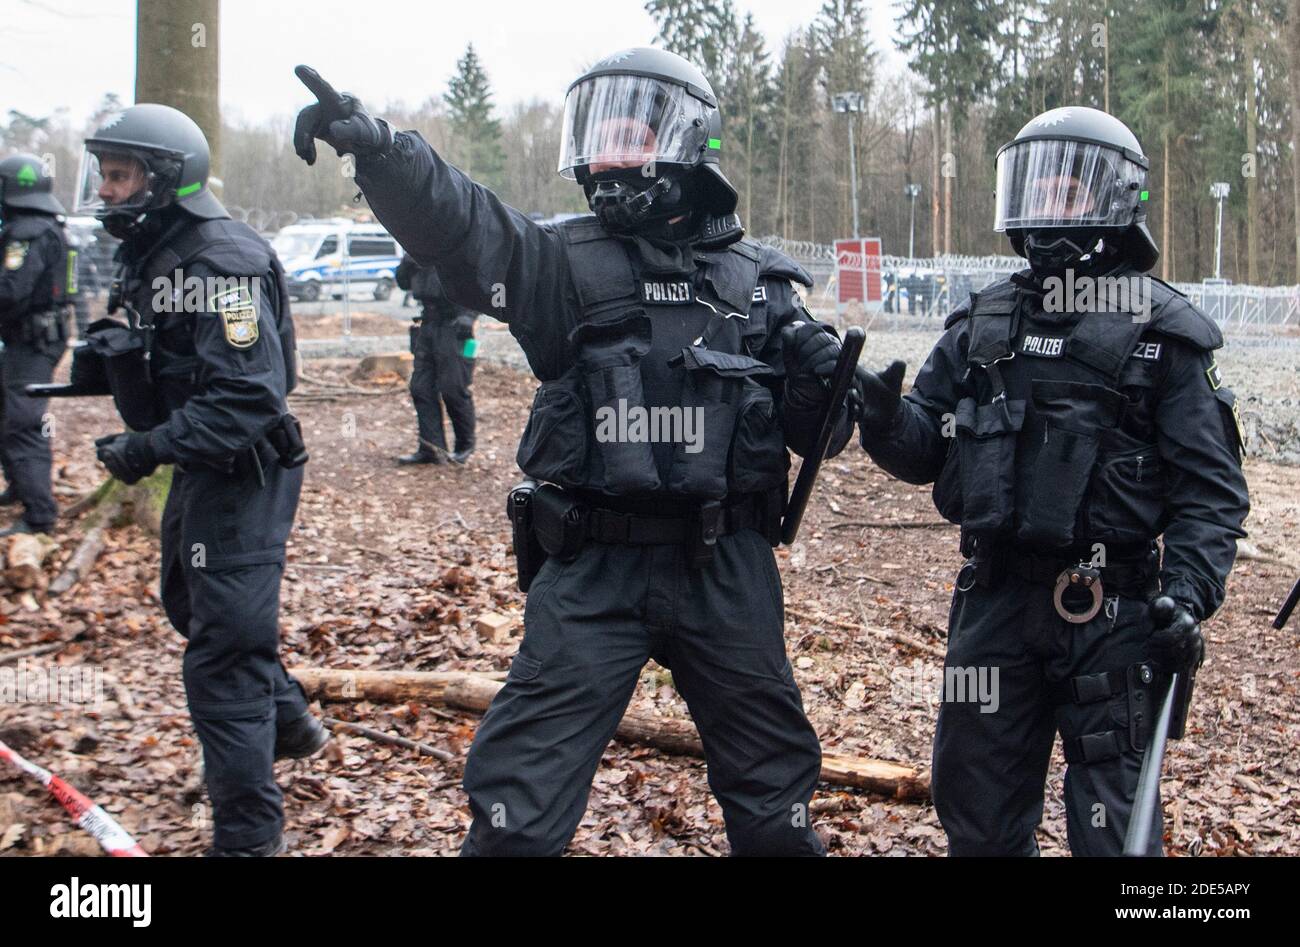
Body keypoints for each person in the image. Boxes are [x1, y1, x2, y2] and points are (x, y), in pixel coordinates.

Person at [294, 47, 856, 856]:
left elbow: (823, 433)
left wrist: (828, 385)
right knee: (517, 804)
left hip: (728, 565)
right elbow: (467, 227)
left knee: (775, 798)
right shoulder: (559, 263)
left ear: (688, 143)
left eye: (630, 136)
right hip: (594, 566)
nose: (608, 155)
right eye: (598, 137)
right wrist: (384, 152)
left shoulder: (761, 284)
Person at [851, 107, 1250, 855]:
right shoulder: (984, 321)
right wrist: (880, 417)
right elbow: (923, 449)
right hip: (993, 603)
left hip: (1114, 610)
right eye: (1037, 187)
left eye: (1069, 191)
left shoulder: (1168, 336)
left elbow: (1211, 493)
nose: (1047, 206)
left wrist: (1189, 595)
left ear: (1114, 203)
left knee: (1113, 829)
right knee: (975, 808)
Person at [74, 103, 326, 856]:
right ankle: (289, 721)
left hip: (243, 470)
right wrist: (121, 359)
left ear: (165, 178)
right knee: (191, 604)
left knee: (222, 657)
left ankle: (249, 838)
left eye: (122, 175)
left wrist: (148, 446)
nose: (109, 189)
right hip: (204, 463)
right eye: (106, 174)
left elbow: (250, 396)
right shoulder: (159, 253)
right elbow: (183, 377)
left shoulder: (221, 261)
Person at [0, 153, 71, 536]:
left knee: (23, 424)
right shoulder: (47, 226)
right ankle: (19, 486)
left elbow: (11, 291)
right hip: (33, 340)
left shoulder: (28, 232)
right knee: (7, 415)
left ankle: (40, 514)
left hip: (31, 343)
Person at [393, 253, 477, 464]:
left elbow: (480, 283)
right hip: (427, 325)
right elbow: (403, 282)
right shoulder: (416, 249)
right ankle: (431, 448)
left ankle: (464, 446)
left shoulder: (453, 243)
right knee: (421, 387)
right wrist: (409, 258)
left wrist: (469, 316)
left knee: (453, 388)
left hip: (455, 327)